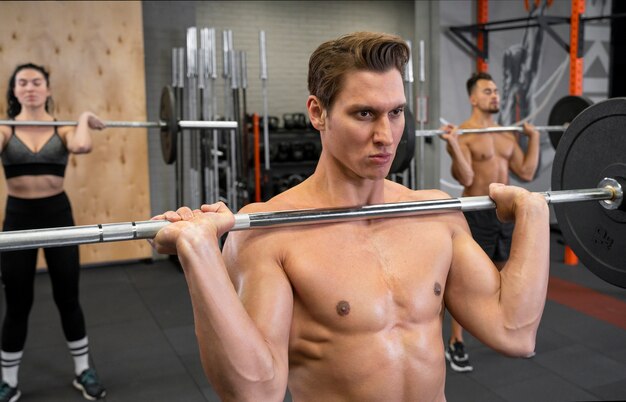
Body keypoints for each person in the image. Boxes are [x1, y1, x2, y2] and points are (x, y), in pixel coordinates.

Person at [152, 32, 549, 401]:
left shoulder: (434, 213)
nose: (387, 135)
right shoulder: (270, 231)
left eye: (396, 112)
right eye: (364, 114)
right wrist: (199, 255)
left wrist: (533, 214)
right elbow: (255, 392)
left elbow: (515, 333)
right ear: (317, 112)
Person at [0, 63, 107, 401]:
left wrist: (84, 117)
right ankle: (8, 381)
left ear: (47, 89)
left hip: (57, 215)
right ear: (15, 91)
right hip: (18, 217)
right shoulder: (5, 128)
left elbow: (81, 147)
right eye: (22, 83)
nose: (30, 87)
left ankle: (82, 371)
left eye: (36, 82)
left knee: (68, 296)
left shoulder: (62, 128)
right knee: (17, 302)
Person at [440, 71, 541, 373]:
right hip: (477, 212)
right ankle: (456, 343)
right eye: (487, 91)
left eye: (496, 90)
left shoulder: (507, 133)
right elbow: (467, 178)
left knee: (505, 272)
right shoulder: (464, 135)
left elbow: (525, 172)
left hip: (506, 212)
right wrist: (454, 145)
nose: (495, 95)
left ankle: (505, 330)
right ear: (473, 98)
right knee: (467, 280)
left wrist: (534, 138)